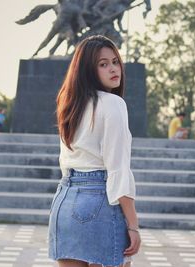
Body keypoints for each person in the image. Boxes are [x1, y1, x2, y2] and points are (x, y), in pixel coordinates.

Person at [48, 35, 140, 267]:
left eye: (115, 61)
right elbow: (117, 169)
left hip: (64, 203)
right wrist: (133, 224)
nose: (113, 69)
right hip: (100, 201)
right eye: (103, 64)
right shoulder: (113, 104)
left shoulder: (69, 104)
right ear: (89, 69)